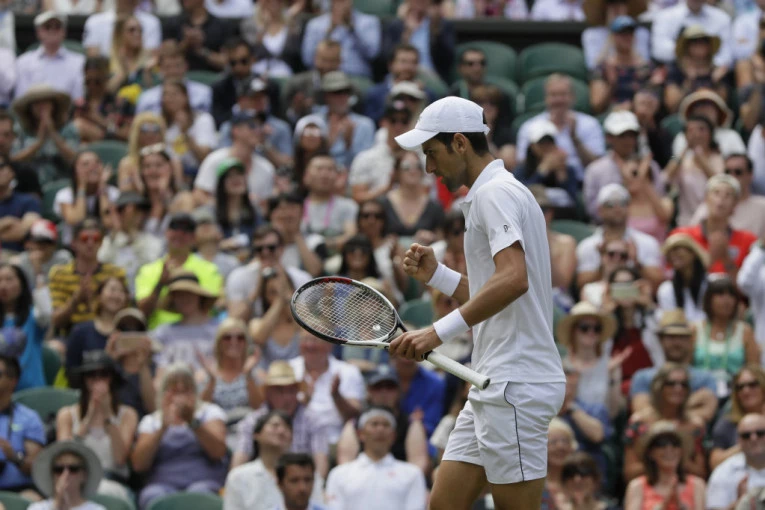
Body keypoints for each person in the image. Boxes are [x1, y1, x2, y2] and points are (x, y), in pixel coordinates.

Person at [389, 96, 565, 509]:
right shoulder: (497, 192)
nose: (429, 167)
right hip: (492, 381)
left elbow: (514, 280)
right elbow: (497, 291)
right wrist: (438, 276)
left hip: (514, 383)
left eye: (432, 153)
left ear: (460, 143)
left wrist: (435, 333)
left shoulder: (495, 194)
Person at [131, 364, 228, 510]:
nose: (179, 395)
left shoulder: (209, 412)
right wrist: (163, 427)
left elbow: (219, 452)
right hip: (162, 484)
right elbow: (139, 465)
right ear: (163, 393)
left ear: (195, 391)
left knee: (199, 495)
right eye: (173, 389)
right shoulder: (151, 421)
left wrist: (192, 422)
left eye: (185, 389)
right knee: (152, 496)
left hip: (203, 481)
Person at [56, 351, 138, 502]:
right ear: (84, 380)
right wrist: (88, 418)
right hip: (77, 484)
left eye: (103, 375)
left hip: (115, 484)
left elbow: (120, 459)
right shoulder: (66, 415)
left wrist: (107, 416)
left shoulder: (128, 415)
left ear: (112, 378)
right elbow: (66, 456)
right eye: (91, 375)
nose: (97, 380)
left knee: (104, 491)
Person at [231, 362, 328, 477]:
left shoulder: (314, 421)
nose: (287, 397)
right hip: (260, 481)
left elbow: (321, 463)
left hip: (301, 483)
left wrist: (316, 485)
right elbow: (238, 463)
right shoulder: (252, 422)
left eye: (291, 390)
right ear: (268, 393)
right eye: (280, 391)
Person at [325, 406, 427, 510]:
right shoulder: (339, 474)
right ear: (361, 434)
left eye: (386, 425)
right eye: (374, 424)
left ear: (393, 436)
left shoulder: (412, 474)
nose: (380, 429)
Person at [134, 212, 222, 329]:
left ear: (194, 238)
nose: (179, 233)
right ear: (166, 233)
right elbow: (143, 311)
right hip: (158, 335)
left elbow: (208, 306)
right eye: (175, 228)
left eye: (186, 230)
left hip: (197, 332)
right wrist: (160, 283)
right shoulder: (147, 270)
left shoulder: (209, 269)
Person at [630, 309, 719, 425]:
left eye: (682, 337)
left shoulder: (705, 378)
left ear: (690, 340)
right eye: (671, 337)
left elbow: (707, 412)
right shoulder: (643, 377)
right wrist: (683, 411)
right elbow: (641, 411)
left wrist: (663, 410)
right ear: (661, 340)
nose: (676, 342)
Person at [623, 364, 708, 482]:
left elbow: (701, 473)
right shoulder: (639, 422)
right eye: (671, 384)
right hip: (648, 485)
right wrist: (657, 461)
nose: (678, 389)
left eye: (683, 384)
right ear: (659, 387)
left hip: (683, 485)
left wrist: (677, 460)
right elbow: (629, 473)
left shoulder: (695, 425)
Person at [516, 74, 606, 181]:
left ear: (572, 97)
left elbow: (598, 164)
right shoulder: (530, 126)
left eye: (563, 94)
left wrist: (575, 138)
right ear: (546, 98)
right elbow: (522, 164)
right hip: (541, 181)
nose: (558, 100)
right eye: (553, 95)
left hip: (582, 181)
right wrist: (546, 160)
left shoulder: (590, 124)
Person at [576, 183, 664, 291]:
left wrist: (636, 262)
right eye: (610, 204)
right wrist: (602, 265)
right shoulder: (588, 246)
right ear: (600, 210)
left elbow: (658, 285)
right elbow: (582, 286)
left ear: (629, 207)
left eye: (622, 203)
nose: (617, 208)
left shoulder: (647, 242)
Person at [49, 219, 127, 336]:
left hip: (107, 333)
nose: (90, 243)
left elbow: (124, 315)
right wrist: (77, 299)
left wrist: (97, 301)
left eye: (96, 239)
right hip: (69, 335)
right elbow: (56, 321)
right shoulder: (59, 274)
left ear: (101, 243)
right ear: (74, 242)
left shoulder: (115, 273)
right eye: (84, 238)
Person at [583, 110, 664, 222]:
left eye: (632, 135)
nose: (628, 140)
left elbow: (661, 200)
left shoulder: (651, 167)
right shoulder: (595, 170)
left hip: (649, 224)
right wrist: (626, 185)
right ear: (609, 137)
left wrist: (642, 180)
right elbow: (593, 211)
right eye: (622, 136)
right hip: (609, 226)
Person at [670, 174, 757, 275]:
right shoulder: (682, 236)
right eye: (716, 192)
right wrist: (710, 259)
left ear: (735, 204)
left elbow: (749, 283)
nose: (721, 199)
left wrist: (726, 259)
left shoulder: (748, 240)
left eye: (728, 195)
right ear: (706, 199)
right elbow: (677, 279)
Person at [225, 225, 312, 322]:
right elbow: (234, 321)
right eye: (259, 249)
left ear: (282, 249)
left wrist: (286, 293)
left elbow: (307, 324)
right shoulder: (239, 276)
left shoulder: (301, 278)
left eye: (271, 248)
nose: (265, 252)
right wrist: (256, 292)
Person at [194, 111, 276, 208]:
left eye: (261, 126)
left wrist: (253, 205)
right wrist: (229, 207)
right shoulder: (215, 160)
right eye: (252, 126)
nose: (258, 131)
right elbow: (198, 195)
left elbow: (266, 205)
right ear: (236, 130)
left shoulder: (266, 168)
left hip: (251, 216)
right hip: (218, 215)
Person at [691, 276, 759, 394]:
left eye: (731, 295)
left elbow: (755, 371)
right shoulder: (694, 329)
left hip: (736, 394)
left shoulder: (745, 331)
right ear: (709, 299)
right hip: (700, 392)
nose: (727, 300)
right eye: (720, 294)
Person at [223, 411, 300, 510]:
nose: (281, 431)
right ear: (256, 435)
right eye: (275, 426)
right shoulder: (238, 477)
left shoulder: (304, 475)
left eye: (287, 428)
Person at [556, 302, 622, 416]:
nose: (591, 332)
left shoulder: (611, 365)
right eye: (584, 328)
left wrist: (611, 377)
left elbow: (613, 412)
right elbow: (559, 409)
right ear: (573, 331)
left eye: (597, 328)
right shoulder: (561, 367)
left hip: (602, 423)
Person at [624, 421, 706, 510]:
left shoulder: (697, 485)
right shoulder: (637, 486)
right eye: (662, 444)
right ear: (650, 452)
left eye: (675, 444)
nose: (669, 449)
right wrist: (663, 506)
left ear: (681, 451)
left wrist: (680, 506)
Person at [151, 269, 220, 372]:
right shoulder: (163, 333)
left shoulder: (219, 330)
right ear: (173, 300)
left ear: (198, 296)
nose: (184, 299)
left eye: (188, 293)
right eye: (179, 295)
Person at [64, 276, 130, 381]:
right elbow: (71, 369)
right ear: (99, 296)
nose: (116, 295)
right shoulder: (80, 331)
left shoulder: (129, 333)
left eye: (121, 291)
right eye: (112, 290)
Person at [11, 85, 79, 183]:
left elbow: (75, 159)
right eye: (37, 103)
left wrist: (53, 134)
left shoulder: (68, 128)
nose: (41, 106)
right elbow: (14, 162)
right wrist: (39, 142)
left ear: (53, 105)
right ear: (30, 107)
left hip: (63, 182)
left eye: (45, 102)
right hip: (30, 183)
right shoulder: (20, 130)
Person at [0, 354, 45, 500]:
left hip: (19, 490)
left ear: (13, 381)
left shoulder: (28, 418)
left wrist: (14, 457)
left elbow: (36, 467)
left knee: (33, 500)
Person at [589, 16, 655, 114]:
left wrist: (653, 85)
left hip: (640, 114)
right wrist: (612, 84)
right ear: (613, 37)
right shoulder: (603, 68)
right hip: (612, 114)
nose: (627, 37)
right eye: (622, 34)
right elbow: (596, 106)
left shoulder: (646, 67)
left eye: (630, 33)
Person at [300, 0, 381, 79]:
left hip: (355, 76)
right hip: (323, 75)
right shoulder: (315, 24)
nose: (339, 4)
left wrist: (352, 29)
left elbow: (372, 54)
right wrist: (329, 31)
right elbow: (307, 59)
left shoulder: (368, 22)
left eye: (343, 1)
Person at [98, 191, 164, 288]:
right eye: (121, 210)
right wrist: (115, 232)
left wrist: (131, 233)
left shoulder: (153, 242)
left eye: (138, 210)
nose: (131, 215)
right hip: (116, 293)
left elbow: (150, 263)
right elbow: (102, 262)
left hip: (144, 292)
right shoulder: (109, 241)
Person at [311, 72, 376, 169]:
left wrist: (349, 145)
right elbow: (306, 160)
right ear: (326, 96)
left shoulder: (365, 124)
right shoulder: (314, 122)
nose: (342, 97)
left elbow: (366, 165)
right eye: (336, 93)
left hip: (352, 175)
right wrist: (327, 144)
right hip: (320, 174)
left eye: (346, 92)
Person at [196, 317, 262, 412]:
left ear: (246, 343)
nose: (234, 342)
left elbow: (258, 407)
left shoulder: (256, 374)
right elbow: (201, 410)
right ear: (219, 342)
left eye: (240, 338)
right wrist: (212, 380)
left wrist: (248, 375)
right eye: (227, 337)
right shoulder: (204, 375)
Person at [54, 150, 119, 246]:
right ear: (75, 171)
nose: (92, 167)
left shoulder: (113, 193)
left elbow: (109, 222)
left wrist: (102, 188)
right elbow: (76, 220)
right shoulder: (65, 195)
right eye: (85, 164)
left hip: (106, 246)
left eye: (97, 163)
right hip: (73, 249)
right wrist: (82, 187)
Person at [14, 11, 84, 100]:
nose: (52, 31)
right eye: (47, 27)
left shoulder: (79, 62)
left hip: (69, 108)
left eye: (57, 27)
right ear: (38, 32)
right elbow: (21, 97)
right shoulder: (23, 62)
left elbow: (79, 98)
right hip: (33, 107)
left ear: (64, 32)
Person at [350, 101, 410, 203]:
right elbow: (357, 197)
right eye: (393, 120)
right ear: (384, 123)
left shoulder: (419, 158)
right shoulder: (365, 158)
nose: (398, 126)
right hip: (377, 210)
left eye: (404, 121)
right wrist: (387, 188)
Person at [693, 154, 765, 238]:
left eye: (738, 172)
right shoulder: (709, 206)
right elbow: (692, 236)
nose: (732, 176)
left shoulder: (762, 206)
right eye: (727, 172)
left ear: (750, 175)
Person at [383, 0, 456, 83]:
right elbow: (387, 57)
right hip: (401, 75)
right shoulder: (396, 26)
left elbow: (448, 59)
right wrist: (407, 33)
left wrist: (435, 29)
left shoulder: (441, 24)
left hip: (432, 76)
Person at [513, 119, 578, 209]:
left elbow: (573, 200)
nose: (546, 147)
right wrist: (542, 171)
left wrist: (561, 174)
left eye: (550, 143)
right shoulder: (521, 170)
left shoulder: (568, 169)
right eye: (541, 143)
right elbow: (521, 194)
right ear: (532, 146)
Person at [664, 26, 730, 113]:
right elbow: (672, 105)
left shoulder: (718, 72)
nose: (699, 45)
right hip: (682, 116)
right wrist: (688, 82)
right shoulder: (676, 70)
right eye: (695, 42)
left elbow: (722, 105)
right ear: (686, 46)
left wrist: (714, 82)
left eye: (704, 42)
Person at [710, 365, 765, 470]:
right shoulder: (727, 424)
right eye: (740, 387)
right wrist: (747, 443)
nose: (746, 391)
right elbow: (715, 464)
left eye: (753, 385)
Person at [381, 152, 445, 242]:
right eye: (406, 166)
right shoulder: (383, 204)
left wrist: (432, 238)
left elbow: (442, 240)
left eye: (417, 166)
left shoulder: (435, 206)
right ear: (397, 172)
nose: (412, 171)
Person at [135, 41, 212, 115]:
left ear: (186, 66)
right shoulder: (147, 98)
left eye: (177, 66)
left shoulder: (204, 93)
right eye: (168, 67)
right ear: (160, 69)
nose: (173, 71)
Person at [301, 154, 358, 253]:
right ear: (306, 176)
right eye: (319, 169)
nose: (325, 175)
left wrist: (321, 245)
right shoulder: (295, 207)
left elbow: (351, 236)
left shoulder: (348, 205)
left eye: (330, 169)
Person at [707, 413, 765, 510]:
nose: (753, 438)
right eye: (746, 435)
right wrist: (740, 503)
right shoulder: (723, 472)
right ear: (738, 441)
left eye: (760, 433)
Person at [650, 0, 733, 68]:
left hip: (712, 72)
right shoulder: (665, 16)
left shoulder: (722, 18)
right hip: (677, 71)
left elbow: (726, 56)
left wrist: (705, 66)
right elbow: (659, 51)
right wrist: (689, 59)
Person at [160, 80, 217, 179]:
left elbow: (205, 157)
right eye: (165, 95)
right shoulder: (160, 124)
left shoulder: (203, 119)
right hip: (169, 176)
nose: (169, 99)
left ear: (185, 97)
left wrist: (185, 132)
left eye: (174, 94)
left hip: (199, 174)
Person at [29, 441, 106, 510]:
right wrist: (57, 506)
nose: (65, 474)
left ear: (84, 475)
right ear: (52, 475)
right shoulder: (37, 508)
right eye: (59, 469)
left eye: (73, 469)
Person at [283, 39, 343, 125]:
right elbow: (283, 120)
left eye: (332, 61)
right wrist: (297, 110)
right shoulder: (295, 85)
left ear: (340, 61)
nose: (327, 66)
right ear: (315, 58)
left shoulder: (349, 89)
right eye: (324, 60)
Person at [657, 234, 709, 322]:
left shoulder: (711, 284)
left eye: (676, 249)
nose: (672, 255)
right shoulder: (667, 289)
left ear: (693, 253)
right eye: (669, 253)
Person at [82, 0, 162, 57]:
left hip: (139, 73)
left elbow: (150, 57)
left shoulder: (152, 22)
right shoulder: (95, 21)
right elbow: (93, 57)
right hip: (105, 73)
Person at [164, 0, 227, 72]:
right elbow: (165, 57)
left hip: (211, 74)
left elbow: (225, 62)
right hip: (178, 74)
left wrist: (200, 50)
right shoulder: (173, 24)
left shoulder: (220, 26)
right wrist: (186, 43)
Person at [12, 219, 72, 290]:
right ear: (30, 243)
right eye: (38, 242)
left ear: (54, 244)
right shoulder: (23, 260)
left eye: (46, 242)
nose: (41, 246)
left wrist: (39, 272)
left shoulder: (63, 259)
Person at [0, 156, 41, 254]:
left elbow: (22, 232)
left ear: (11, 172)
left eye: (1, 167)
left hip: (20, 257)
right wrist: (7, 221)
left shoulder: (29, 201)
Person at [106, 15, 152, 95]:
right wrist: (123, 73)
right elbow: (106, 91)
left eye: (140, 30)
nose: (137, 34)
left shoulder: (149, 59)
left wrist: (146, 72)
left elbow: (153, 92)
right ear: (120, 33)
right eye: (131, 30)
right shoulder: (107, 59)